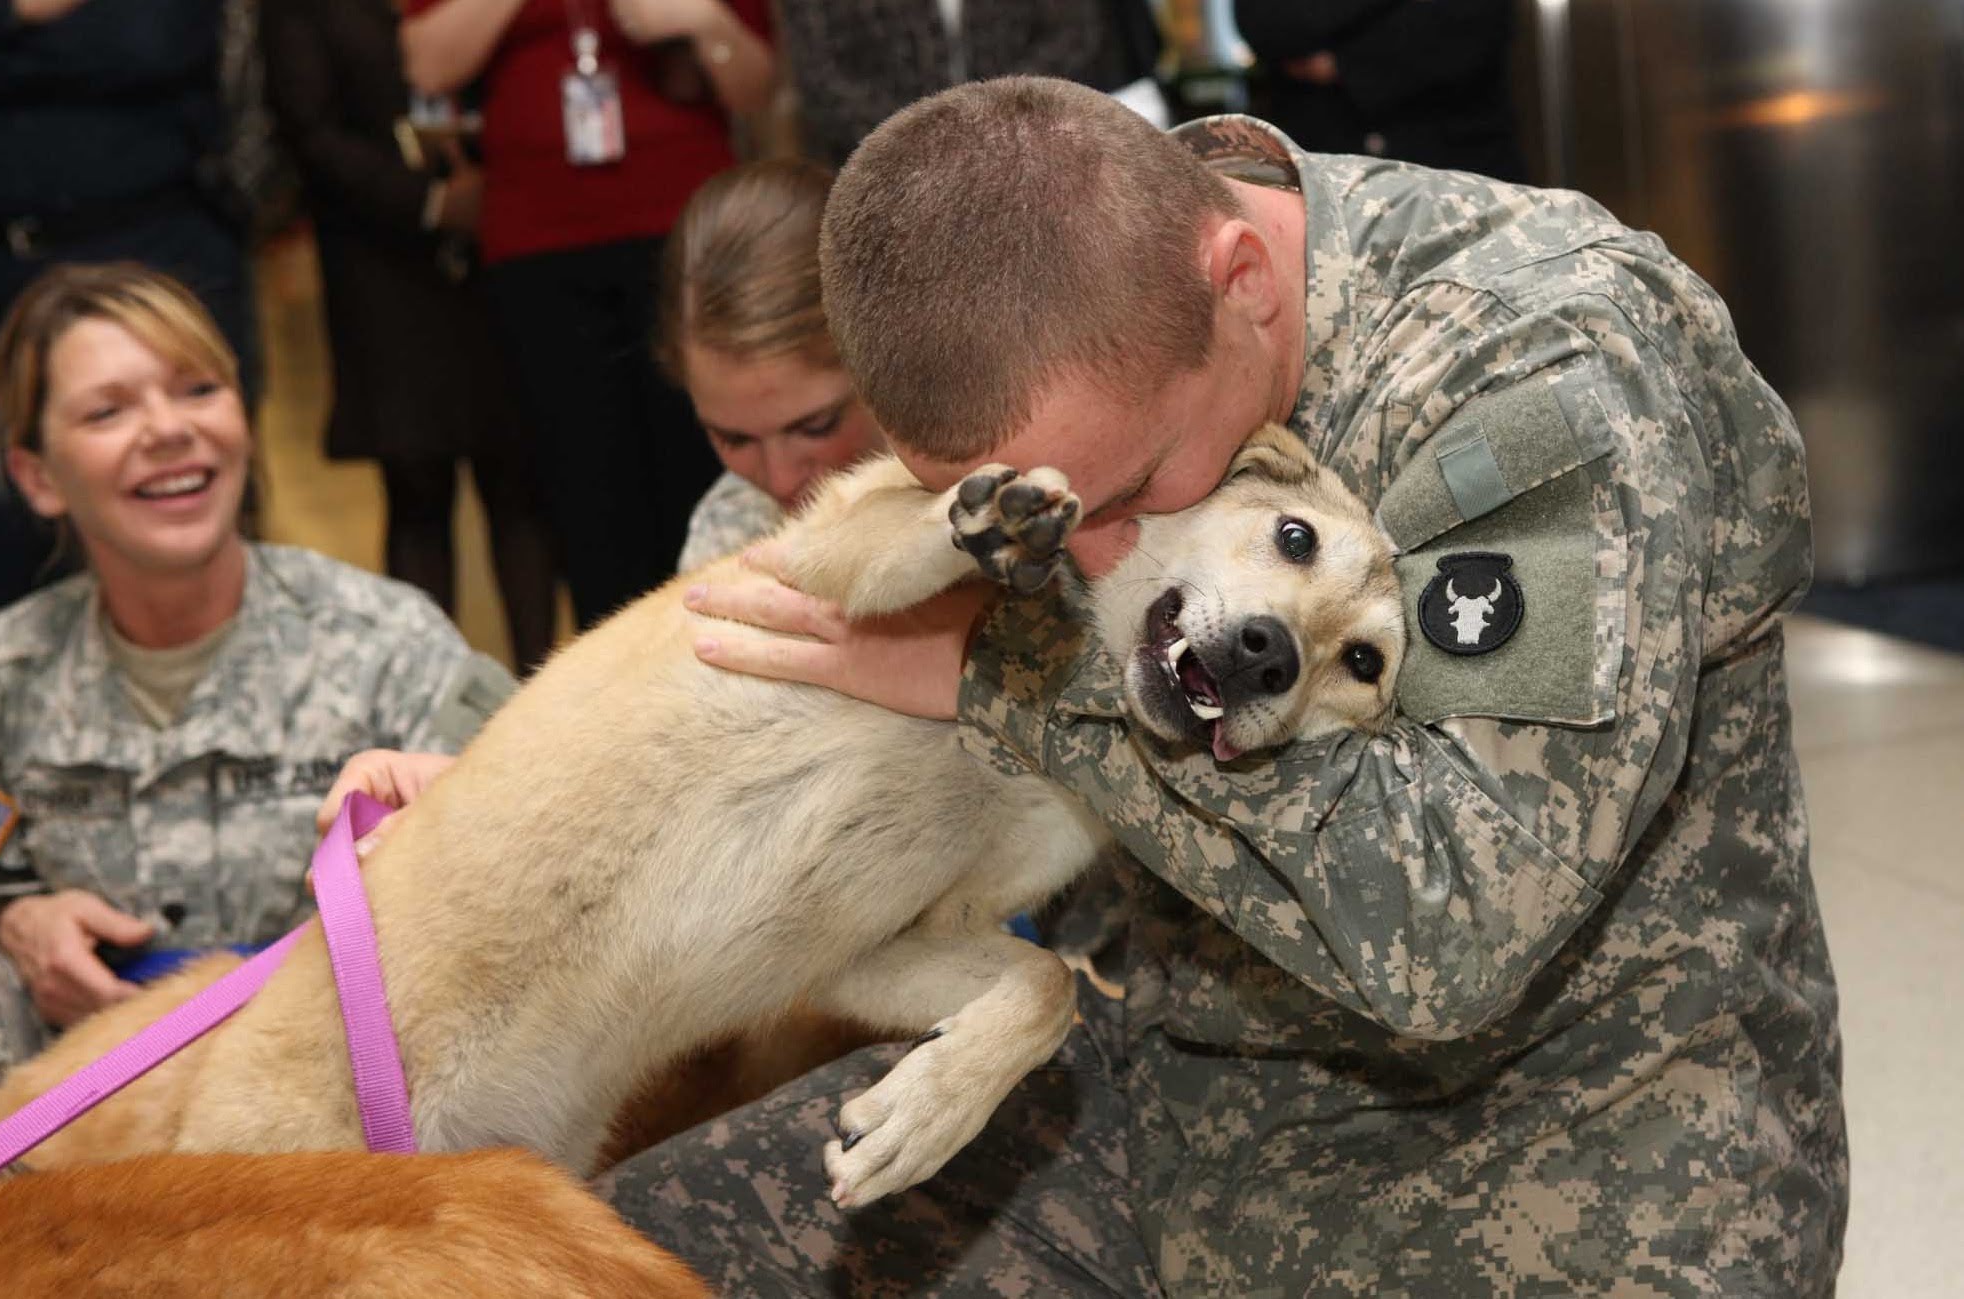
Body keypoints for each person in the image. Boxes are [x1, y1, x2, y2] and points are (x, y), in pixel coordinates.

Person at [595, 77, 1848, 1296]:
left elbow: (1455, 929)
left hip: (1581, 1188)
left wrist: (1006, 674)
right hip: (1188, 1128)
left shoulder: (1538, 369)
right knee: (563, 1255)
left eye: (1126, 497)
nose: (1090, 555)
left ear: (1241, 283)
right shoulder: (1070, 313)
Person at [0, 263, 516, 1090]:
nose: (167, 429)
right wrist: (15, 916)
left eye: (198, 389)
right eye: (109, 409)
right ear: (39, 476)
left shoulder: (387, 645)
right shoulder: (0, 682)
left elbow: (536, 838)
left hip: (350, 1117)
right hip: (90, 1136)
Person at [400, 0, 777, 631]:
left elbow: (756, 88)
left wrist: (701, 20)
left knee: (709, 472)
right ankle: (620, 691)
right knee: (584, 497)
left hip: (687, 232)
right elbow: (429, 64)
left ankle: (733, 653)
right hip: (539, 243)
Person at [261, 0, 558, 673]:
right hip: (380, 266)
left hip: (501, 245)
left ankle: (541, 692)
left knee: (521, 485)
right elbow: (306, 131)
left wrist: (493, 181)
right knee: (416, 486)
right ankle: (423, 694)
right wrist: (429, 203)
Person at [0, 0, 259, 613]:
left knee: (187, 489)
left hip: (161, 247)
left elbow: (153, 43)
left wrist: (5, 45)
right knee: (9, 517)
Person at [660, 158, 888, 572]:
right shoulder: (730, 542)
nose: (780, 479)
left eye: (815, 427)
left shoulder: (1007, 492)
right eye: (734, 439)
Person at [776, 0, 1163, 165]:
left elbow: (1074, 37)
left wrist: (991, 128)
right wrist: (920, 141)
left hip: (1029, 158)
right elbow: (822, 79)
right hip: (877, 173)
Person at [1234, 0, 1527, 181]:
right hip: (1325, 169)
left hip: (1462, 164)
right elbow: (1268, 23)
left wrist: (1344, 63)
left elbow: (1472, 27)